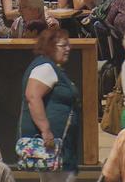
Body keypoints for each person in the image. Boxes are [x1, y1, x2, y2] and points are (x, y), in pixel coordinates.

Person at [19, 29, 79, 181]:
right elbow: (33, 96)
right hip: (52, 145)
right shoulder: (45, 68)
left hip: (56, 146)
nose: (68, 49)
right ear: (50, 46)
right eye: (63, 45)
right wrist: (46, 130)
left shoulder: (50, 67)